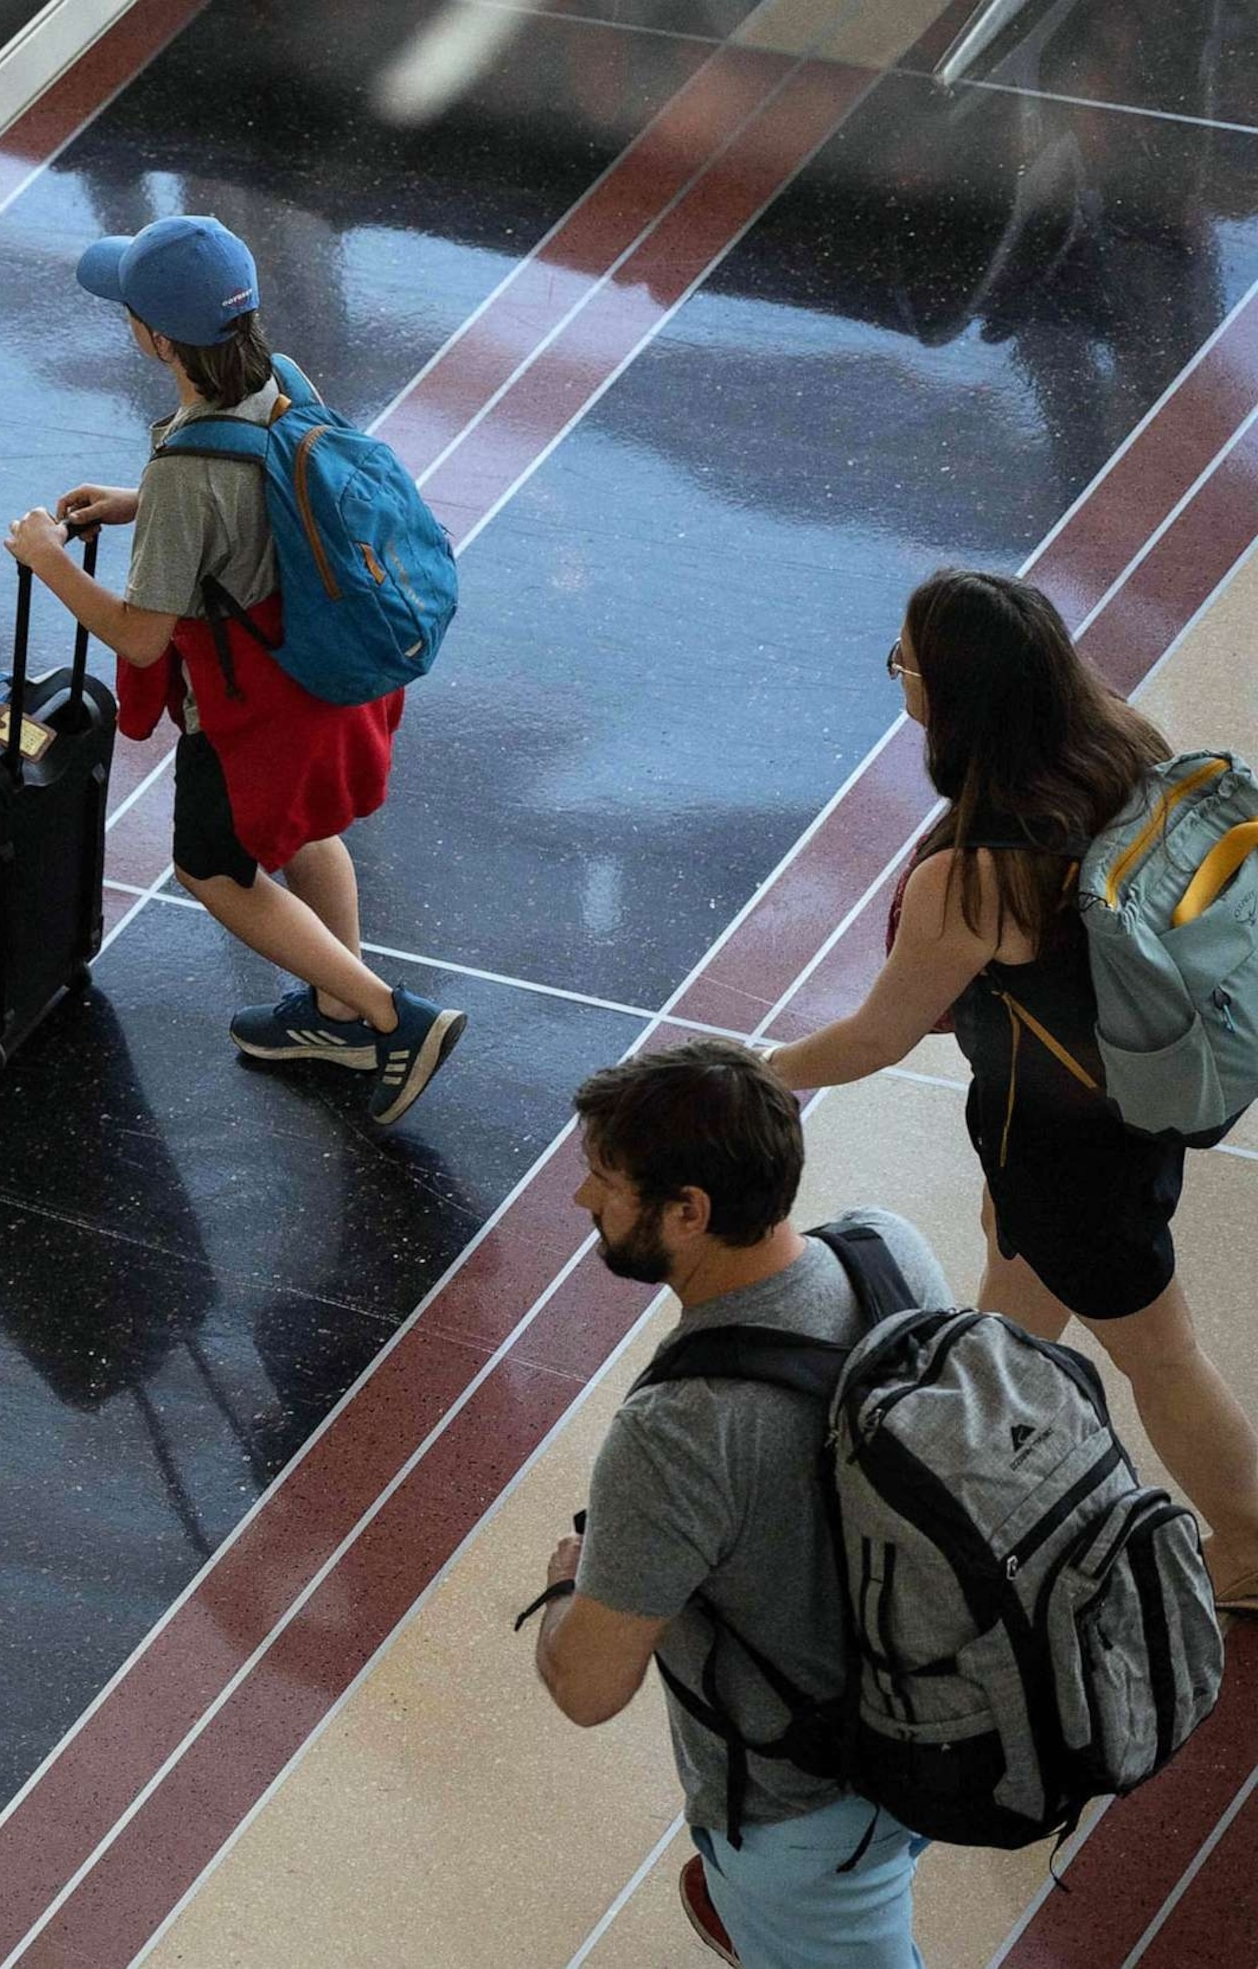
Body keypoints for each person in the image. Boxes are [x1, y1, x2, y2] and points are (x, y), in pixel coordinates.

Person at [767, 570, 1258, 1614]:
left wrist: (757, 1074)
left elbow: (879, 1036)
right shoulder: (1122, 743)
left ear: (956, 695)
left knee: (1162, 1359)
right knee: (1011, 1317)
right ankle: (972, 1466)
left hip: (1066, 1149)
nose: (896, 672)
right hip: (1124, 1098)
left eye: (904, 660)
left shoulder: (979, 875)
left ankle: (1255, 1544)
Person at [1, 213, 464, 1126]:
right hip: (323, 673)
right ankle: (337, 1008)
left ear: (155, 337)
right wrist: (141, 502)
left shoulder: (186, 466)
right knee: (298, 834)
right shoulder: (280, 377)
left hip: (252, 705)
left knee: (209, 867)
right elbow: (260, 489)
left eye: (128, 311)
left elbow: (140, 637)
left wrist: (48, 559)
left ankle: (385, 1016)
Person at [535, 1039, 947, 1967]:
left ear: (689, 1211)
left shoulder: (676, 1432)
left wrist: (568, 1589)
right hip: (937, 1714)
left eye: (604, 1179)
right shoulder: (888, 1251)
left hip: (803, 1823)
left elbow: (591, 1689)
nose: (582, 1199)